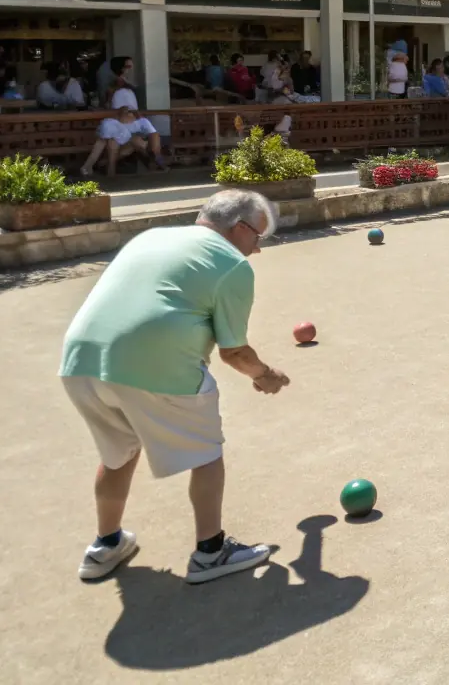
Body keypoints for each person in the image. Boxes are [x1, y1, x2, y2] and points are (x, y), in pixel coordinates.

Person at [60, 190, 290, 583]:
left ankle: (105, 545)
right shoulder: (232, 264)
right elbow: (234, 352)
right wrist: (265, 375)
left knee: (118, 454)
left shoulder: (152, 237)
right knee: (205, 453)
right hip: (156, 366)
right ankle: (210, 553)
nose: (257, 250)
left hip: (80, 363)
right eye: (258, 238)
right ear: (239, 229)